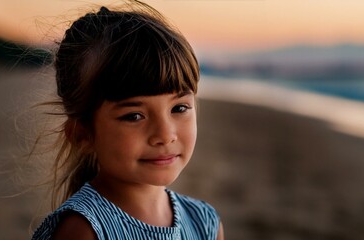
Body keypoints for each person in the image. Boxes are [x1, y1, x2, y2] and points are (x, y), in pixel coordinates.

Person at [31, 1, 224, 239]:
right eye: (134, 116)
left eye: (179, 108)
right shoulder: (84, 230)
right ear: (83, 134)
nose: (165, 134)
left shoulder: (205, 223)